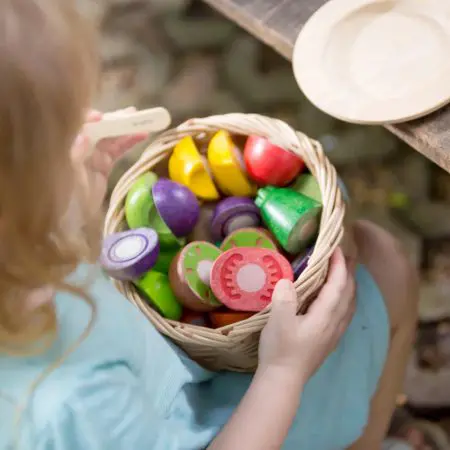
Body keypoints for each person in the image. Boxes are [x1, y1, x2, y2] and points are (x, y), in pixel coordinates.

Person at [0, 1, 424, 449]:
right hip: (218, 430)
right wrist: (284, 371)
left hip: (167, 376)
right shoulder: (76, 404)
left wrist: (69, 210)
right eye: (64, 131)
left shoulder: (18, 263)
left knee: (363, 249)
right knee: (387, 267)